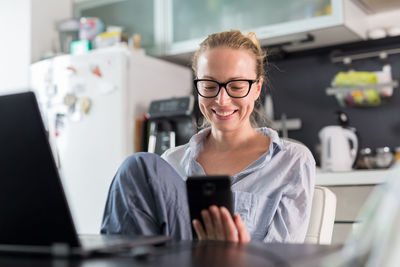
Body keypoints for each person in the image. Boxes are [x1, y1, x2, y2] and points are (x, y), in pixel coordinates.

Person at [101, 30, 315, 243]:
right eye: (209, 86)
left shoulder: (292, 161)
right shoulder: (170, 162)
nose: (222, 100)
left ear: (257, 88)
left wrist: (233, 255)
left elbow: (284, 261)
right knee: (138, 165)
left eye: (237, 86)